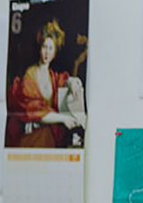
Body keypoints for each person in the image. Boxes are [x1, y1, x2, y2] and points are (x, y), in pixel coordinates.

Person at [6, 19, 85, 148]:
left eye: (50, 48)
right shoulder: (30, 75)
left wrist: (72, 82)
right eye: (44, 47)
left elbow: (64, 80)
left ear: (54, 53)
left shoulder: (52, 76)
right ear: (40, 48)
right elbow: (37, 113)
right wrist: (63, 119)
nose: (47, 52)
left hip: (48, 137)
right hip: (31, 138)